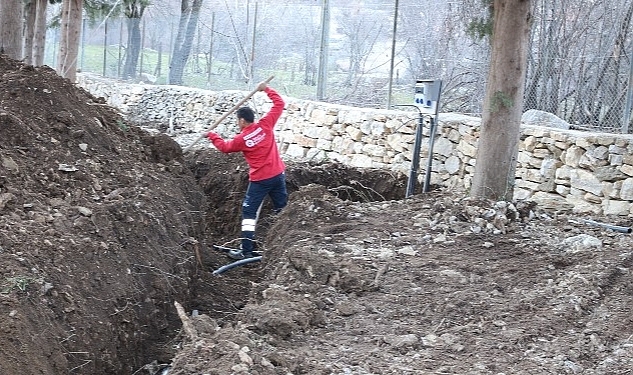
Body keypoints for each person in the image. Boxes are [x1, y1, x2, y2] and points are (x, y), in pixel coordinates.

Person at [206, 81, 287, 260]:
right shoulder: (266, 124)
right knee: (282, 209)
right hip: (278, 175)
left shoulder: (241, 139)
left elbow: (225, 147)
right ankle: (284, 246)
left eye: (237, 120)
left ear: (242, 120)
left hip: (260, 180)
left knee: (249, 214)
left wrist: (212, 135)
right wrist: (266, 89)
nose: (237, 123)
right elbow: (279, 104)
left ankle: (246, 250)